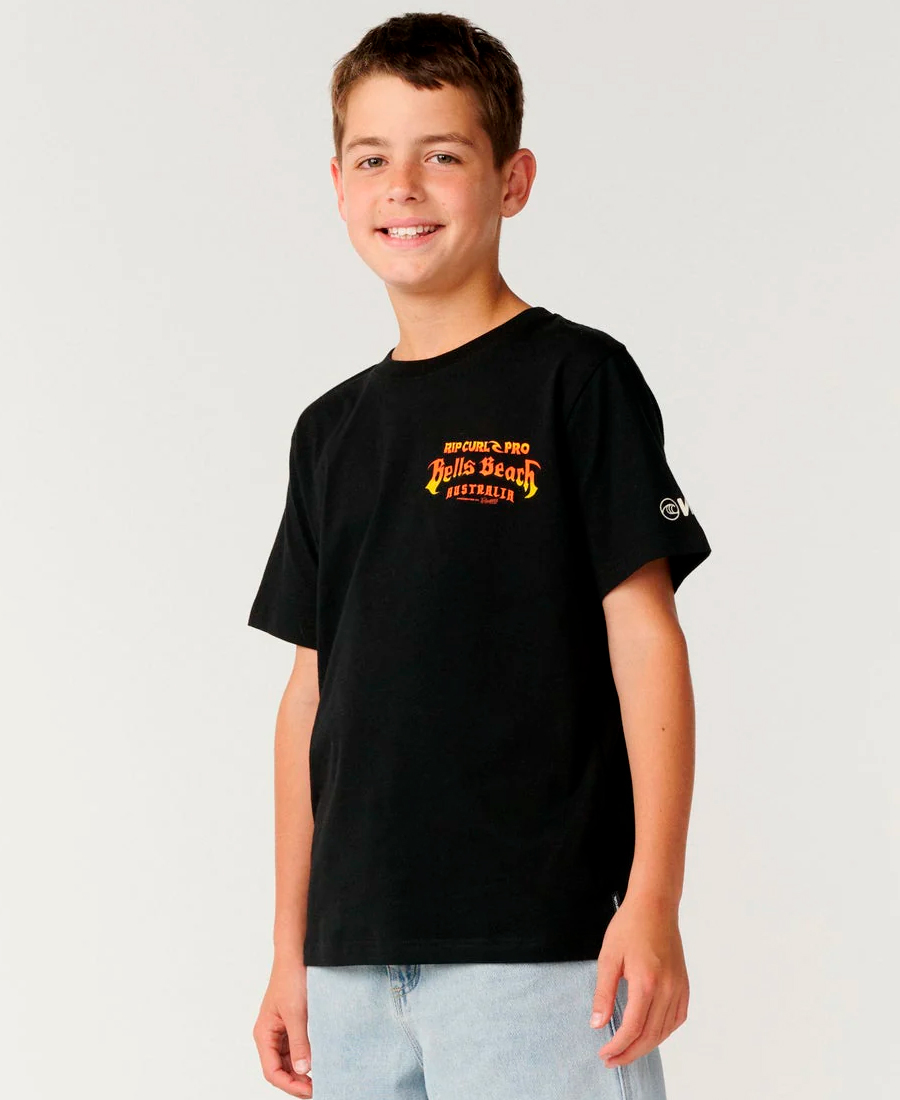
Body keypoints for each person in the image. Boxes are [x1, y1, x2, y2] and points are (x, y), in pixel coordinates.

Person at [247, 12, 712, 1100]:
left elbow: (646, 638)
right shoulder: (330, 430)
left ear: (513, 180)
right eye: (373, 158)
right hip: (353, 965)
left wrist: (653, 900)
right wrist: (289, 947)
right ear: (338, 185)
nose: (403, 187)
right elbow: (310, 693)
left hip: (537, 954)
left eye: (443, 155)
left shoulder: (577, 380)